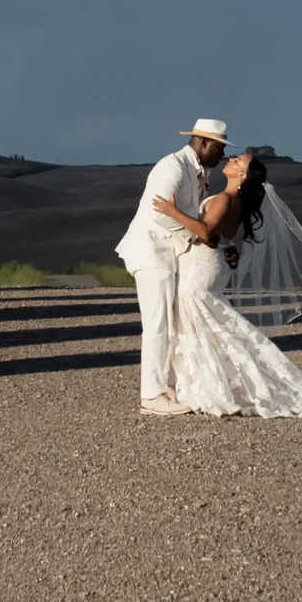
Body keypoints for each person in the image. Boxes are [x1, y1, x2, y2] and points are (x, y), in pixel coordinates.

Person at [154, 151, 302, 418]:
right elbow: (224, 237)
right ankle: (203, 383)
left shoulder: (224, 199)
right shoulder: (234, 202)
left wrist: (172, 211)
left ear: (243, 176)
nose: (231, 160)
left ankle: (206, 386)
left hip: (201, 268)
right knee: (209, 325)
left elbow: (207, 232)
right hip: (212, 265)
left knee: (200, 323)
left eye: (238, 162)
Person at [115, 118, 232, 416]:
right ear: (203, 143)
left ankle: (164, 387)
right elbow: (161, 215)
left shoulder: (198, 173)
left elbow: (199, 220)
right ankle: (151, 395)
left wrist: (218, 244)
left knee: (168, 322)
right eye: (219, 148)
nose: (222, 155)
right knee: (157, 323)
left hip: (168, 255)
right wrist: (198, 237)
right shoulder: (172, 167)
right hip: (152, 252)